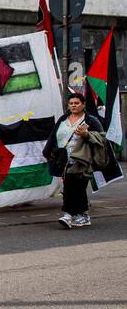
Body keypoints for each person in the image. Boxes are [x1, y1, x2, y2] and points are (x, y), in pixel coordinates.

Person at [43, 92, 107, 229]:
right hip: (63, 159)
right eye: (71, 103)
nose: (73, 105)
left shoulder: (91, 120)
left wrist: (86, 134)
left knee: (72, 185)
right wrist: (47, 152)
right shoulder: (63, 119)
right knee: (76, 187)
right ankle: (82, 215)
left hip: (82, 159)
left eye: (76, 103)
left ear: (83, 105)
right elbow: (53, 136)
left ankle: (67, 215)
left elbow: (102, 138)